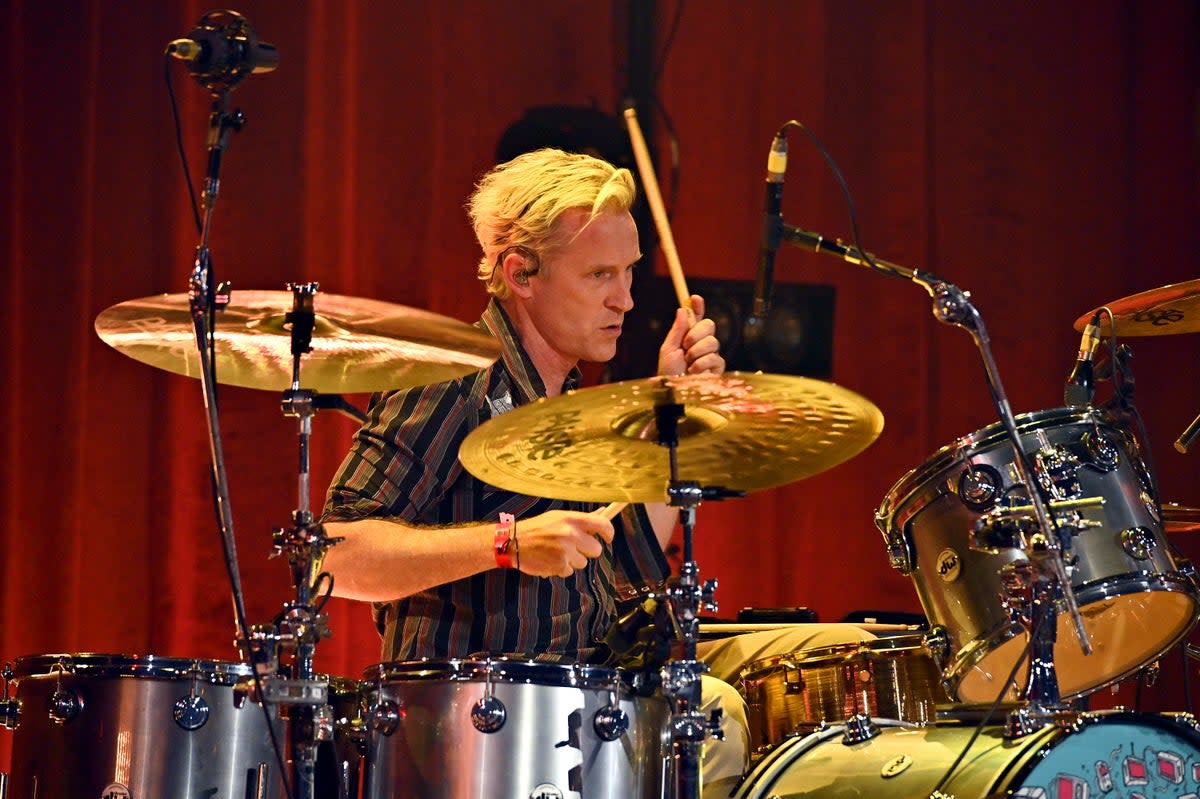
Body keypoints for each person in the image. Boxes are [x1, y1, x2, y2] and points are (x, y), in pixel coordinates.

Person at [321, 148, 872, 795]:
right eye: (599, 275)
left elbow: (631, 555)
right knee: (712, 713)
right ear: (520, 273)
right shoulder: (454, 385)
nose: (626, 299)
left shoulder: (573, 406)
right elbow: (332, 556)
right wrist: (506, 544)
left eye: (630, 272)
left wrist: (675, 408)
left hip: (583, 693)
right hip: (478, 728)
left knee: (841, 658)